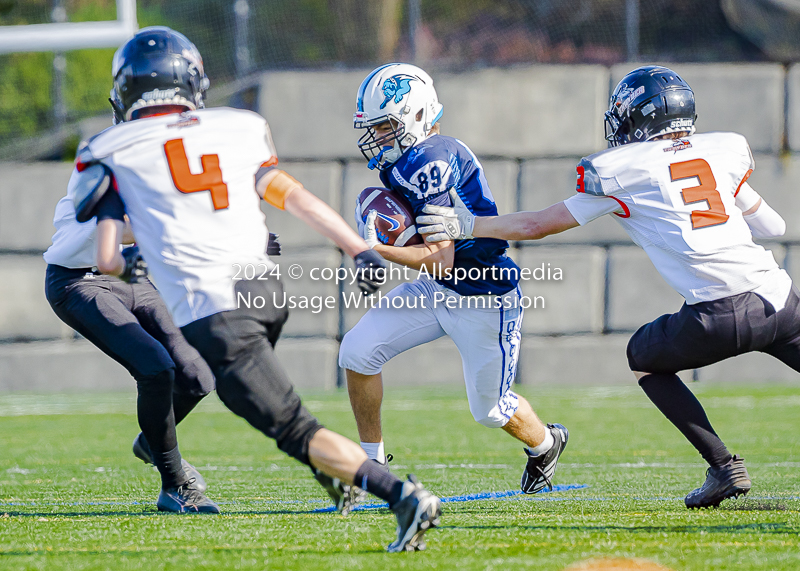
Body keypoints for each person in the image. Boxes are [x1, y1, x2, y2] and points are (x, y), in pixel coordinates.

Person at [76, 27, 441, 552]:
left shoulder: (110, 150)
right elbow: (294, 197)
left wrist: (137, 257)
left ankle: (403, 497)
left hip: (219, 314)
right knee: (269, 399)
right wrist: (356, 248)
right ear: (193, 82)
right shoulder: (237, 127)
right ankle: (331, 469)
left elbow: (106, 256)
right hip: (267, 290)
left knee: (293, 427)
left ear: (128, 90)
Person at [416, 65, 793, 509]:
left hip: (717, 316)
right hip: (780, 301)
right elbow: (773, 225)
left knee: (644, 357)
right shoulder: (723, 150)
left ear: (638, 117)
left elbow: (538, 224)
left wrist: (467, 223)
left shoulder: (622, 170)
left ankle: (724, 466)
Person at [339, 63, 569, 496]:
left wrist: (375, 249)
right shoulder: (408, 160)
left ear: (418, 117)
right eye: (374, 128)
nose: (379, 137)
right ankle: (372, 465)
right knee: (357, 352)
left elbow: (439, 258)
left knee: (490, 411)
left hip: (484, 295)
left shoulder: (431, 160)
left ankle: (546, 443)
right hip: (436, 289)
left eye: (386, 126)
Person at [44, 174, 217, 513]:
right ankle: (175, 485)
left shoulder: (168, 159)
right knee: (155, 367)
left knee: (198, 375)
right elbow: (121, 230)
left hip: (127, 276)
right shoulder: (102, 161)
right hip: (78, 279)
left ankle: (151, 443)